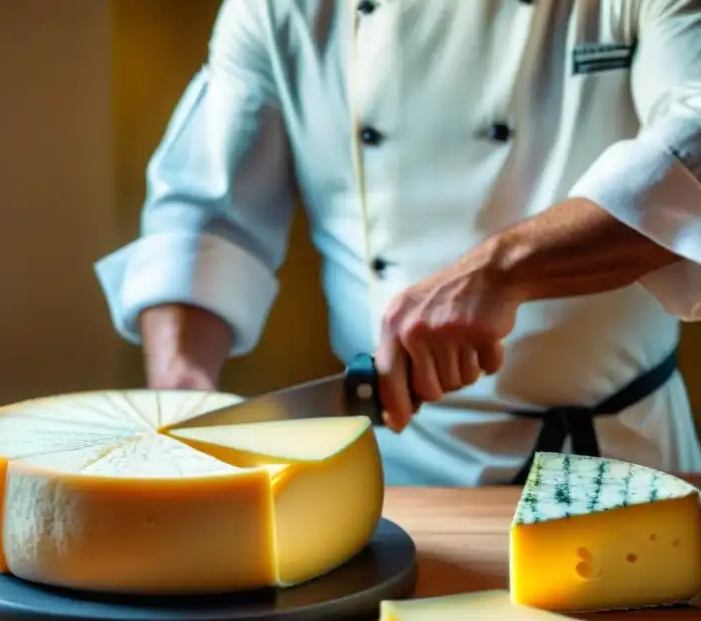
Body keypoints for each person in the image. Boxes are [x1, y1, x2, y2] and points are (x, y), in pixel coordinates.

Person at [94, 0, 701, 486]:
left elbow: (692, 146)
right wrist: (181, 382)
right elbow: (206, 215)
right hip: (388, 462)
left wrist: (499, 270)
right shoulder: (278, 10)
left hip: (617, 466)